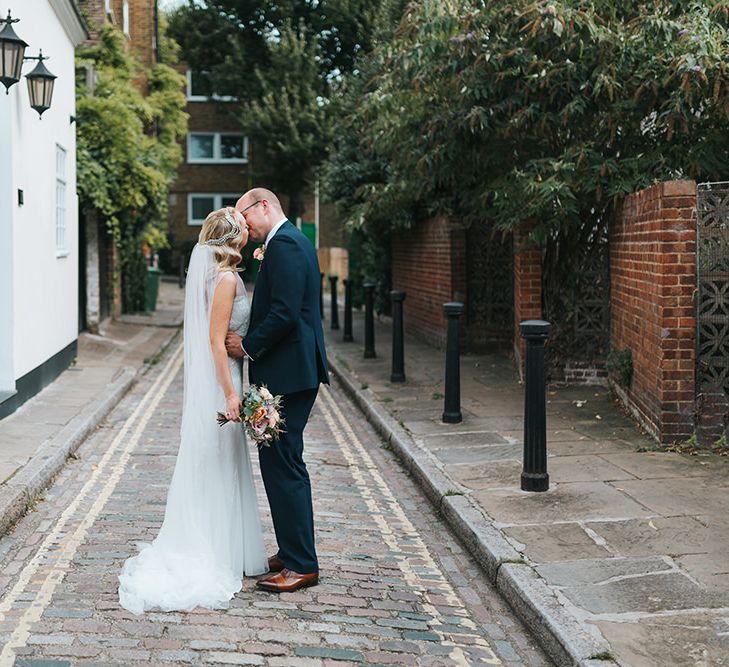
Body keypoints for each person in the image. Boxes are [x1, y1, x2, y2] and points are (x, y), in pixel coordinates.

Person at [118, 207, 267, 614]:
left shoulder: (223, 276)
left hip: (231, 375)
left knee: (224, 462)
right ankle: (212, 549)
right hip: (224, 381)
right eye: (242, 228)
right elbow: (215, 342)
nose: (248, 231)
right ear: (233, 239)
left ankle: (229, 546)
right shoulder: (224, 279)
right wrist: (231, 396)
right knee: (218, 462)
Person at [226, 188, 329, 593]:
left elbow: (285, 313)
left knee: (284, 464)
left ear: (264, 206)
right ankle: (291, 550)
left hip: (289, 373)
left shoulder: (284, 244)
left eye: (244, 217)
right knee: (280, 462)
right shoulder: (288, 241)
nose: (244, 227)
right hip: (292, 370)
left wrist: (247, 345)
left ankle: (302, 564)